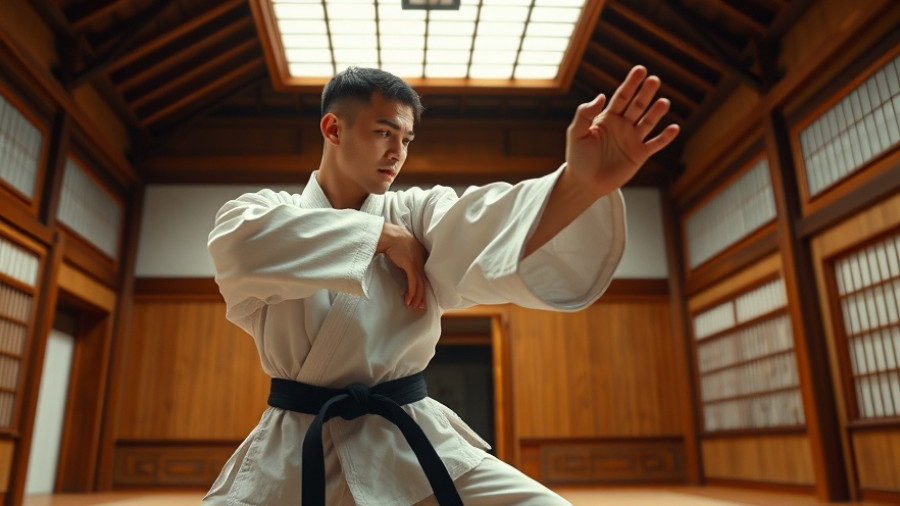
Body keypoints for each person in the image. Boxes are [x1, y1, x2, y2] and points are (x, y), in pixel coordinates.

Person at [204, 65, 679, 506]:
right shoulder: (265, 211)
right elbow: (239, 249)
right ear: (333, 129)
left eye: (406, 139)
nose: (397, 153)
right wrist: (379, 237)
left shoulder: (416, 213)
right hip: (294, 446)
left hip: (409, 435)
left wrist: (579, 185)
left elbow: (479, 226)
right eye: (384, 133)